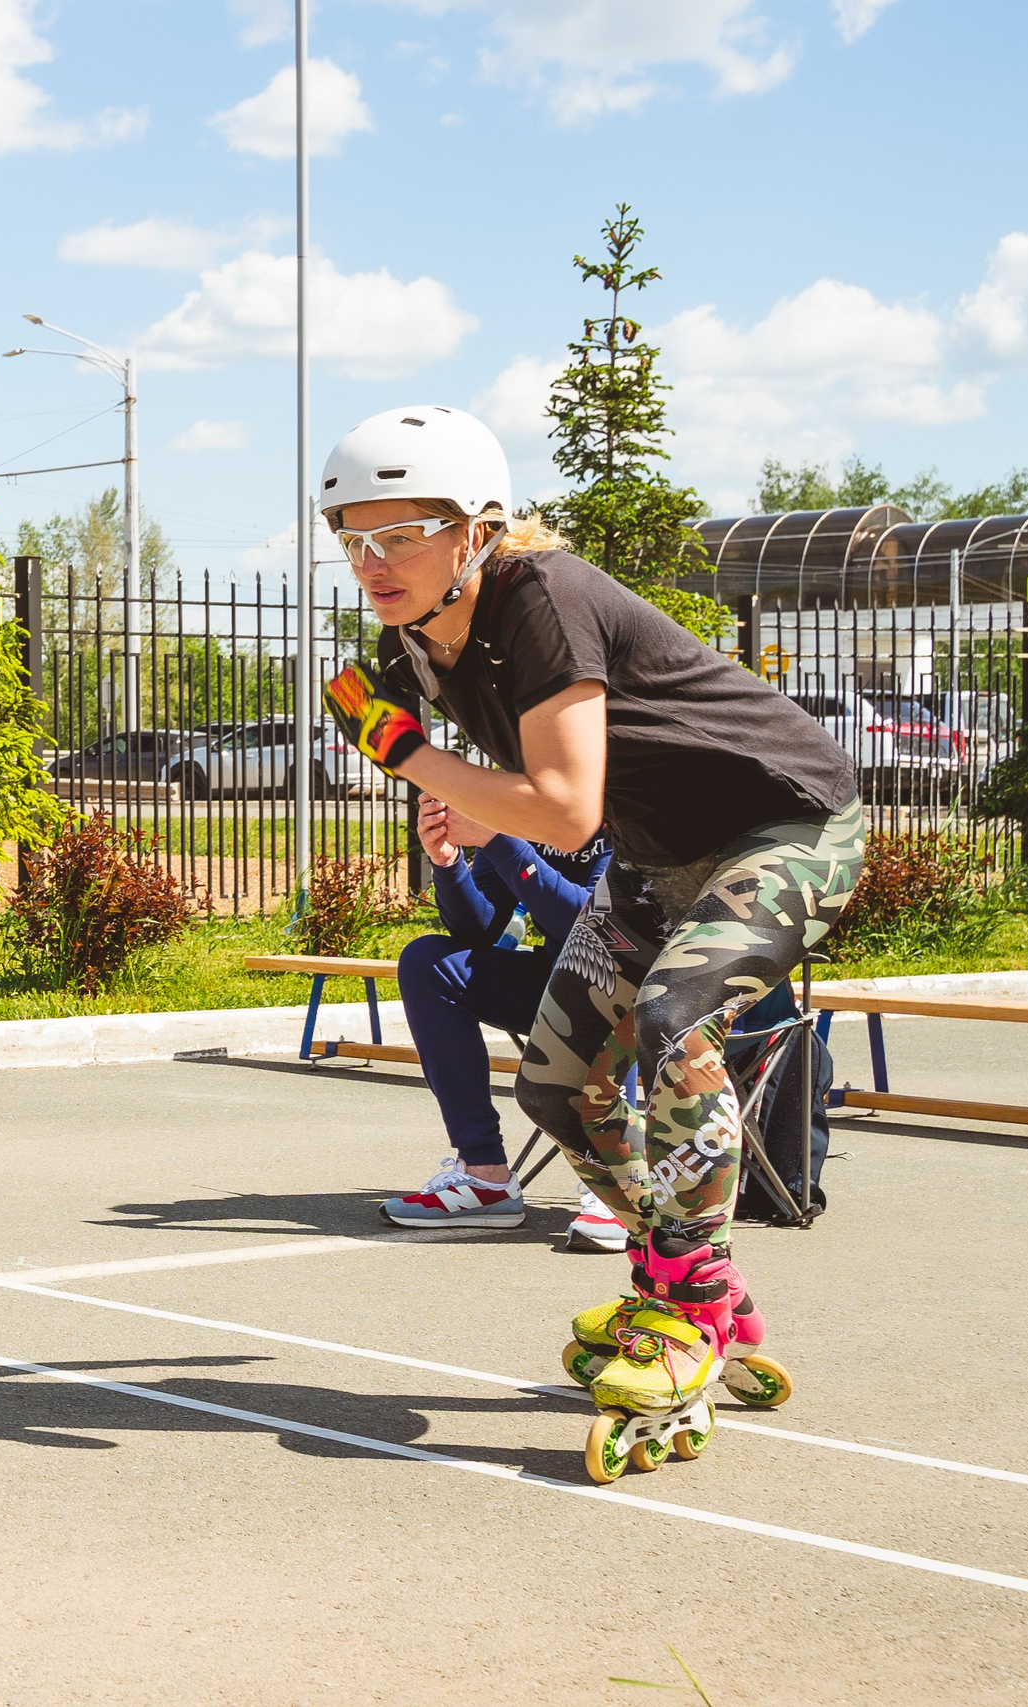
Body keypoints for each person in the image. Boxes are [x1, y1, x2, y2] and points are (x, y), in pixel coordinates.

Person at [318, 405, 863, 1474]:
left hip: (785, 825)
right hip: (657, 859)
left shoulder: (542, 599)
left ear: (475, 529)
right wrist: (473, 805)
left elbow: (563, 812)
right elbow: (548, 791)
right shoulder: (413, 641)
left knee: (670, 1021)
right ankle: (703, 1277)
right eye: (349, 537)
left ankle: (683, 1293)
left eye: (399, 535)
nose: (370, 561)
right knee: (557, 1089)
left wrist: (407, 757)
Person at [377, 793, 621, 1247]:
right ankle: (484, 1174)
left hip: (644, 984)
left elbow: (599, 930)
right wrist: (449, 865)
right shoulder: (519, 800)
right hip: (558, 982)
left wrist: (499, 840)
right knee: (428, 962)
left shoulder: (629, 801)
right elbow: (483, 931)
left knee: (609, 979)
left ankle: (618, 1182)